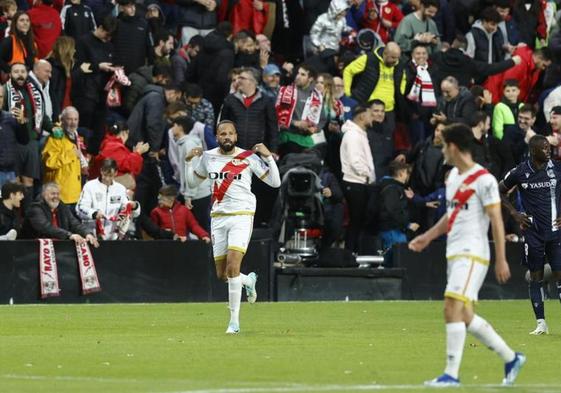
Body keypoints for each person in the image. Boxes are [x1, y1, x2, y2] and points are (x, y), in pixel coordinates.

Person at [409, 123, 525, 386]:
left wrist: (502, 258)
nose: (442, 152)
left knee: (451, 306)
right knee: (465, 316)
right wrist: (427, 236)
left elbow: (496, 218)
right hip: (455, 251)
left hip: (473, 252)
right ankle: (511, 358)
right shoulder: (453, 178)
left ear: (452, 147)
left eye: (443, 146)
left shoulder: (484, 179)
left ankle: (451, 374)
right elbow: (452, 216)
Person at [185, 120, 281, 334]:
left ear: (236, 136)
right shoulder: (209, 157)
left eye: (230, 133)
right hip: (218, 218)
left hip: (241, 215)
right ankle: (249, 280)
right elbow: (192, 183)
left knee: (233, 265)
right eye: (222, 134)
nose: (226, 137)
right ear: (217, 137)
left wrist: (268, 157)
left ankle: (234, 322)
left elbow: (275, 182)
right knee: (223, 274)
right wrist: (189, 162)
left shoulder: (248, 157)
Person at [499, 135, 561, 335]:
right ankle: (541, 323)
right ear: (533, 151)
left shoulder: (557, 168)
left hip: (556, 231)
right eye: (544, 148)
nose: (548, 150)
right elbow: (498, 191)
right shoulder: (520, 172)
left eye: (548, 147)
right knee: (536, 277)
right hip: (533, 232)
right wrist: (514, 213)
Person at [340, 104, 376, 253]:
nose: (372, 117)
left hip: (360, 182)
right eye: (370, 114)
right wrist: (367, 175)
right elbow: (356, 161)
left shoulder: (359, 133)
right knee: (356, 221)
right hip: (355, 182)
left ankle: (354, 252)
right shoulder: (353, 135)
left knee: (359, 221)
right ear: (362, 116)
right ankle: (350, 253)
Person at [77, 158, 141, 240]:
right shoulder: (90, 186)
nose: (107, 178)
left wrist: (135, 206)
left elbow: (129, 213)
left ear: (116, 173)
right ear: (101, 171)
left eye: (110, 176)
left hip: (114, 237)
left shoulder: (120, 189)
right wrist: (94, 213)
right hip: (92, 235)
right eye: (105, 175)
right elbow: (80, 208)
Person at [22, 182, 99, 248]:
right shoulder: (35, 208)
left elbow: (74, 223)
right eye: (52, 194)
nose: (56, 196)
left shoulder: (61, 206)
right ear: (44, 195)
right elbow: (46, 227)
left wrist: (87, 233)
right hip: (35, 248)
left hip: (59, 247)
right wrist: (69, 235)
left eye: (58, 194)